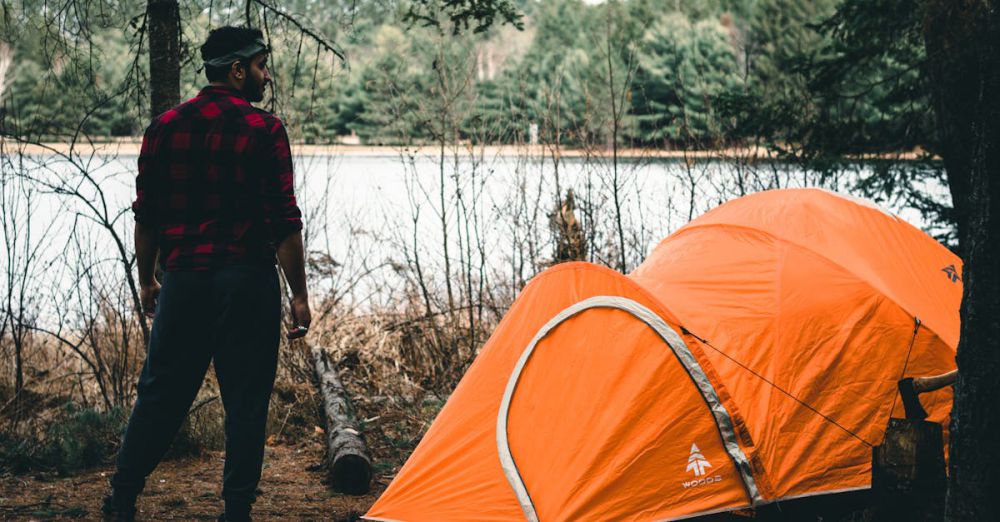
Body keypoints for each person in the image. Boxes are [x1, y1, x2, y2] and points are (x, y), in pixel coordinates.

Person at [102, 26, 311, 522]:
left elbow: (147, 214)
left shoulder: (164, 128)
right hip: (246, 285)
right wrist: (300, 294)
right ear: (237, 70)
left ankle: (123, 496)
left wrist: (149, 279)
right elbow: (284, 219)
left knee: (160, 394)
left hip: (185, 282)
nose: (265, 74)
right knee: (246, 400)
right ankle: (236, 510)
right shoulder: (265, 130)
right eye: (260, 65)